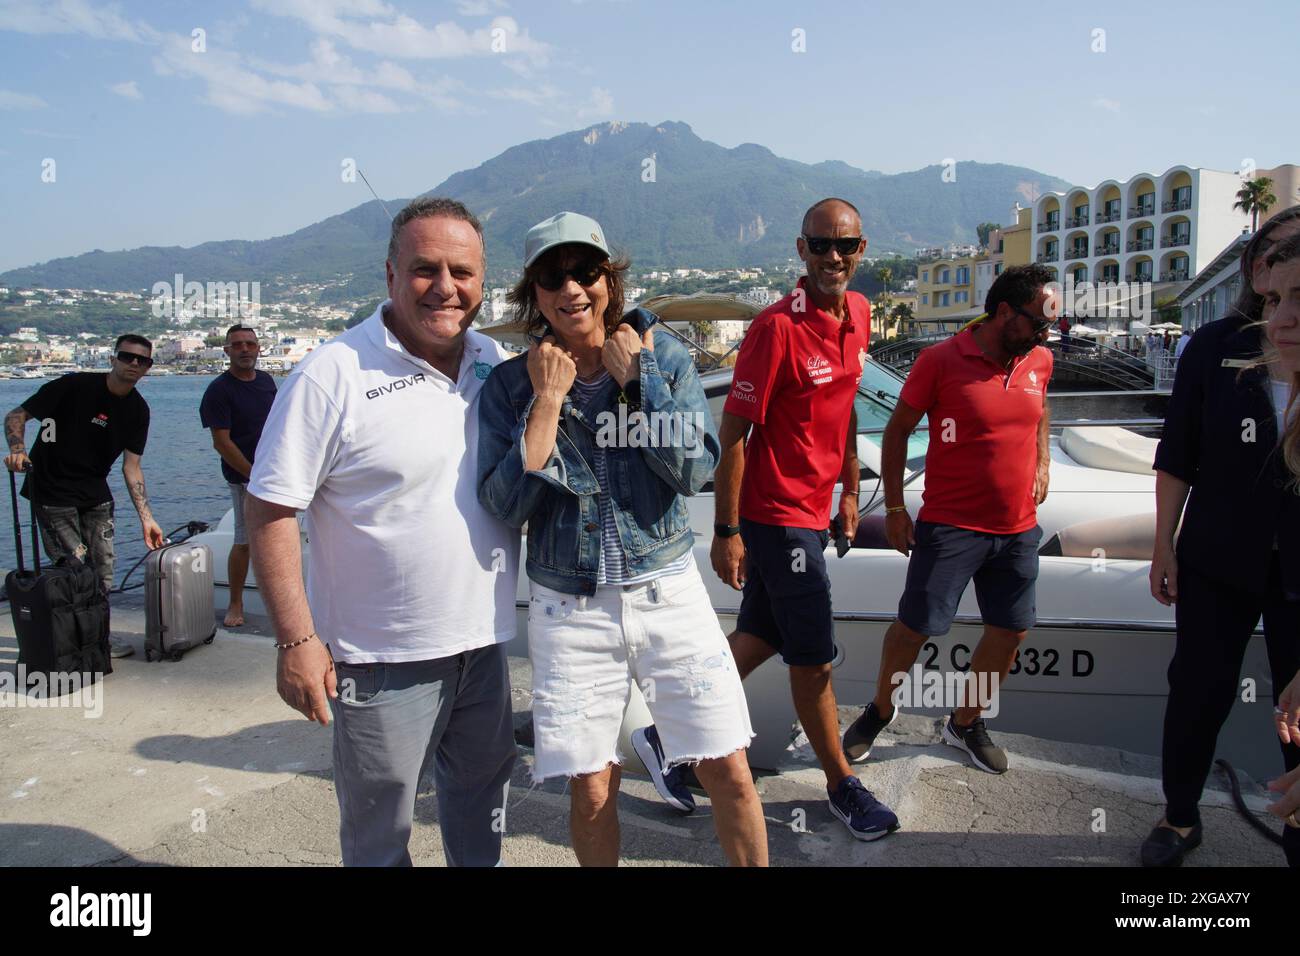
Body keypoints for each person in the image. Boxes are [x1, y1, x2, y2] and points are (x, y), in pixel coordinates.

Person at [478, 211, 767, 867]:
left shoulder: (661, 357)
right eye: (553, 277)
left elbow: (694, 468)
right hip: (568, 608)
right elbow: (502, 505)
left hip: (668, 591)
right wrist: (546, 404)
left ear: (609, 279)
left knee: (727, 767)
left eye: (585, 271)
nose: (571, 289)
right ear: (534, 292)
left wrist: (641, 383)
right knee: (591, 785)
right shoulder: (508, 386)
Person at [245, 196, 520, 867]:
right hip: (378, 660)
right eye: (425, 269)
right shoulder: (332, 373)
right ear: (390, 274)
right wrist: (297, 640)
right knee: (379, 838)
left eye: (463, 271)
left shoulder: (495, 363)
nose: (446, 287)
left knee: (481, 811)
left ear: (484, 282)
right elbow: (271, 509)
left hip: (484, 647)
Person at [643, 198, 899, 841]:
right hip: (775, 517)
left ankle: (663, 736)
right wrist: (726, 532)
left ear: (861, 249)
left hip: (816, 510)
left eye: (845, 246)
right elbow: (733, 435)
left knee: (761, 633)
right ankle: (842, 784)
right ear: (801, 249)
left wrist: (848, 489)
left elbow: (841, 414)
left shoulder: (861, 315)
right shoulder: (774, 329)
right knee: (813, 659)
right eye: (820, 245)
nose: (833, 257)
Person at [843, 265, 1055, 775]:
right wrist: (895, 509)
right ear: (1005, 312)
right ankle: (880, 710)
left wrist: (1044, 458)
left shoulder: (1039, 359)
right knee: (914, 629)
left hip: (1018, 530)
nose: (1047, 334)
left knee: (1010, 632)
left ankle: (964, 721)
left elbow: (1042, 409)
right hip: (951, 526)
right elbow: (897, 434)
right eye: (1038, 322)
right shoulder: (941, 360)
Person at [1142, 207, 1300, 867]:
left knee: (1299, 705)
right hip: (1217, 555)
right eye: (1272, 261)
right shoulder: (1212, 347)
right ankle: (1180, 818)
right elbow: (1179, 453)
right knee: (1198, 688)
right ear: (1256, 269)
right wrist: (1164, 543)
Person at [3, 335, 165, 659]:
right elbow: (15, 416)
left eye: (142, 361)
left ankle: (97, 640)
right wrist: (17, 451)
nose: (134, 364)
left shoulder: (138, 410)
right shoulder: (73, 387)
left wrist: (147, 518)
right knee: (74, 569)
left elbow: (132, 468)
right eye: (127, 357)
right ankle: (69, 642)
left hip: (96, 496)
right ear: (113, 358)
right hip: (52, 493)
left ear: (148, 368)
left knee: (103, 571)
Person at [199, 324, 276, 627]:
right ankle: (235, 604)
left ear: (259, 349)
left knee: (279, 538)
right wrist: (252, 474)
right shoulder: (219, 390)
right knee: (244, 540)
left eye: (250, 344)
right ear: (227, 350)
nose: (245, 349)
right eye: (238, 344)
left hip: (272, 474)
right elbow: (221, 442)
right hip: (244, 476)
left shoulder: (267, 382)